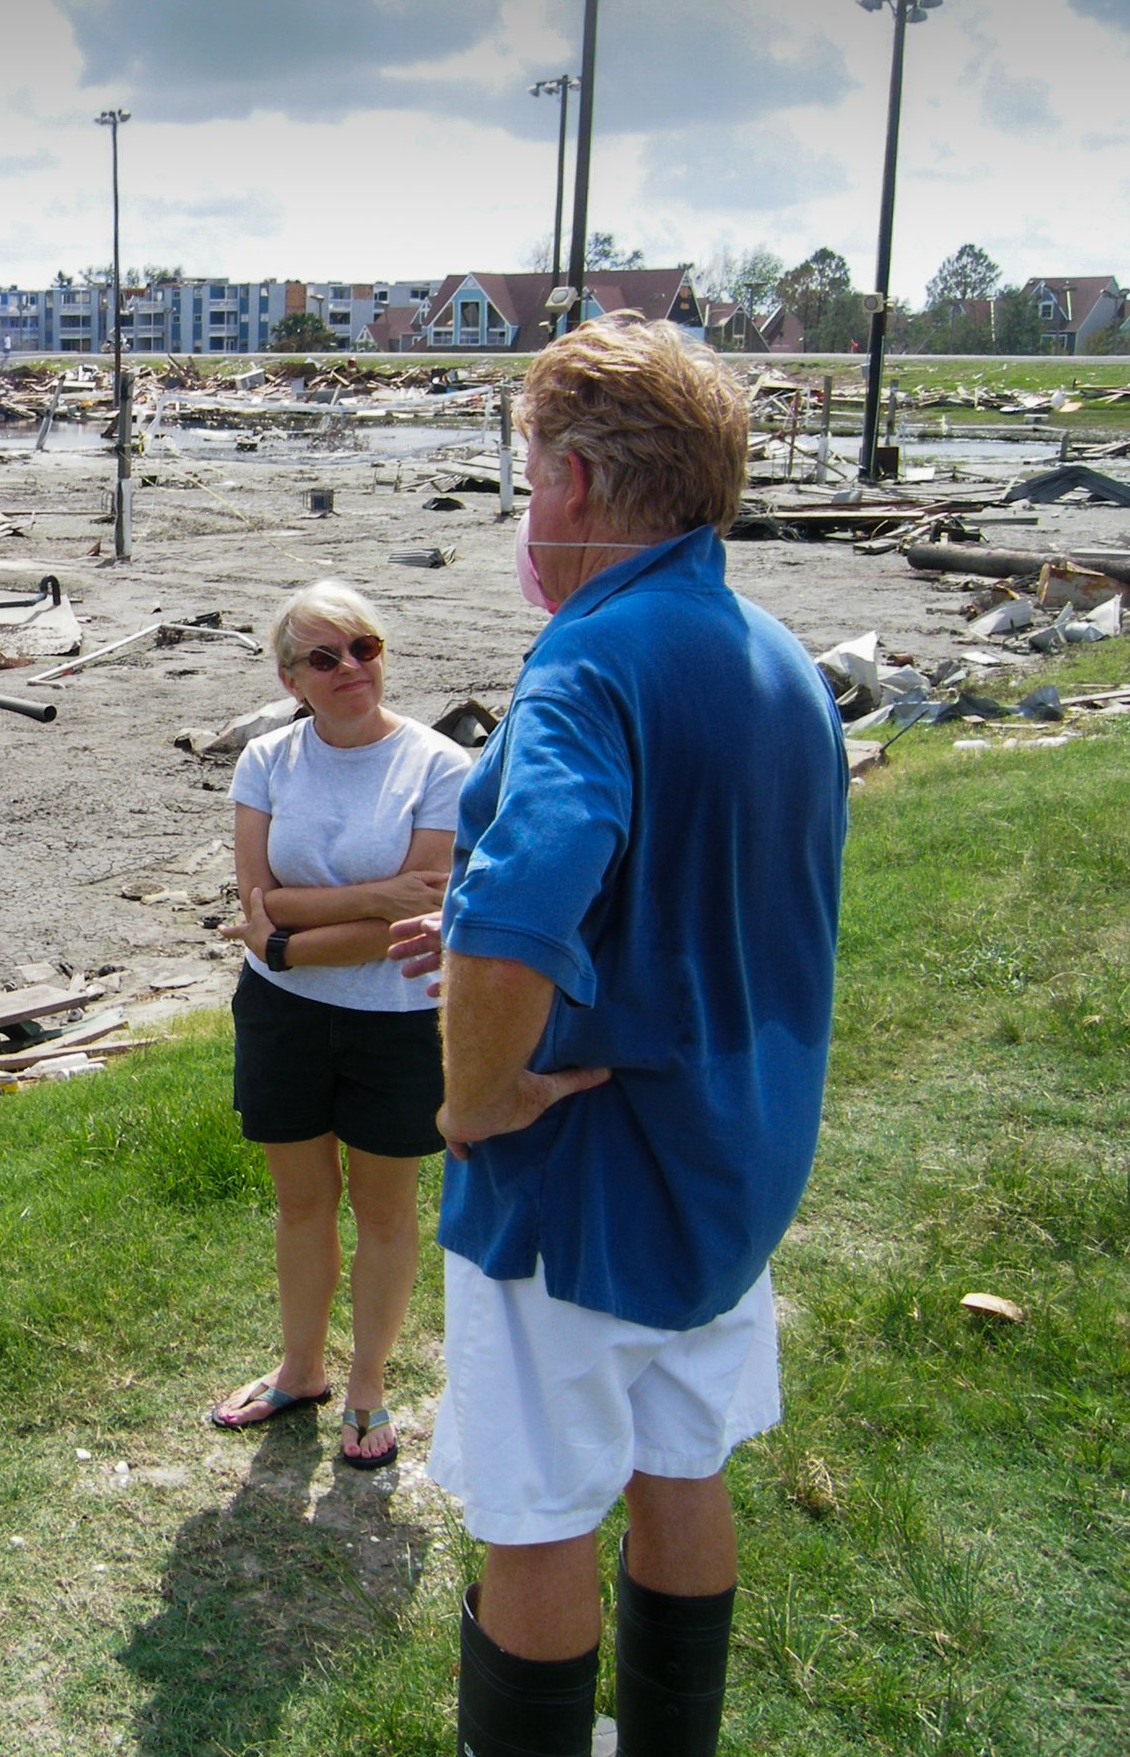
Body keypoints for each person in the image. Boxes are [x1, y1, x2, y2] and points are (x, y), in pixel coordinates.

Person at [387, 314, 847, 1757]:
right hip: (732, 1161)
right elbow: (697, 887)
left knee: (535, 1506)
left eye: (530, 475)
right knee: (680, 1457)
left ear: (575, 481)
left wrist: (474, 1092)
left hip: (580, 1182)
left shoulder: (587, 658)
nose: (528, 508)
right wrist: (480, 935)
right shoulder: (778, 658)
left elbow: (531, 893)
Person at [208, 580, 470, 1473]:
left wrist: (289, 942)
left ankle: (367, 1381)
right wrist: (362, 901)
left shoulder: (440, 766)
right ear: (292, 679)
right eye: (325, 657)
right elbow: (254, 901)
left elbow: (413, 922)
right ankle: (301, 1368)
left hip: (396, 1022)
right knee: (302, 1202)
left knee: (386, 1210)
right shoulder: (267, 763)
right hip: (282, 1017)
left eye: (363, 646)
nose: (351, 667)